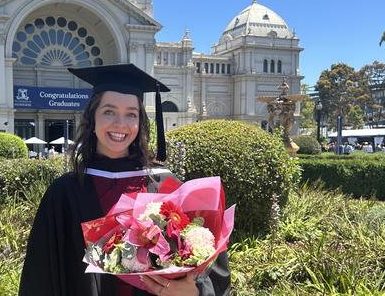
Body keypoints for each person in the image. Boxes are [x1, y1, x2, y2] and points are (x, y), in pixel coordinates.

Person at [19, 64, 231, 296]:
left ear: (140, 122)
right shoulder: (64, 193)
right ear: (92, 118)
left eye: (131, 114)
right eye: (109, 111)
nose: (120, 124)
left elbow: (210, 268)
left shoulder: (165, 186)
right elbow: (40, 275)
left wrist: (195, 291)